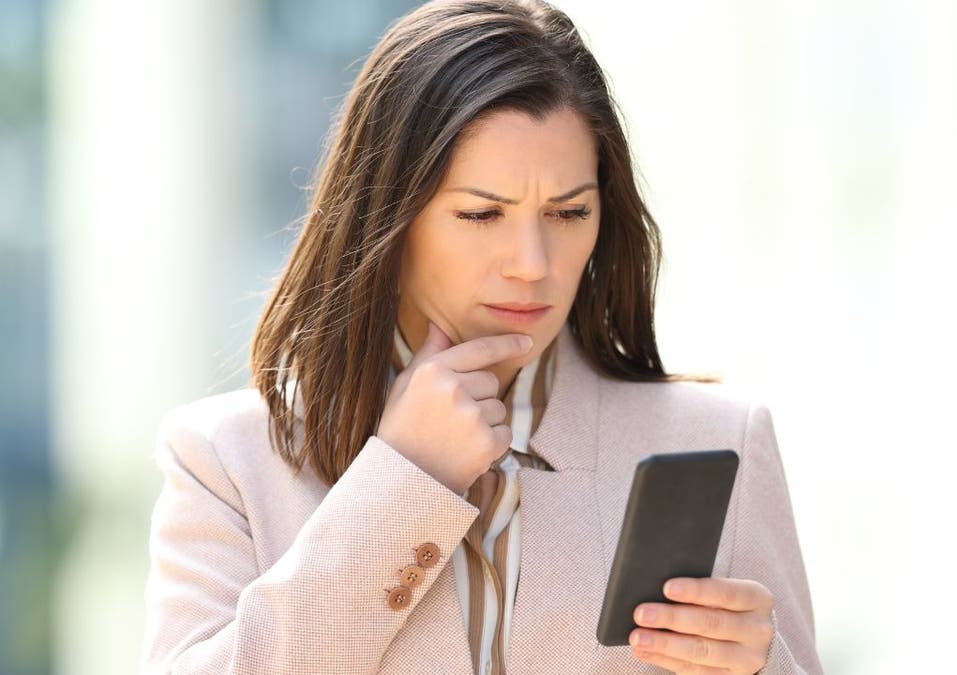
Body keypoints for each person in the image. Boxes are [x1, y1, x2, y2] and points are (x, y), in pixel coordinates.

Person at [139, 0, 823, 673]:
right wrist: (404, 479)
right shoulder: (229, 461)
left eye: (568, 212)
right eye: (481, 214)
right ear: (389, 214)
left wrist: (763, 668)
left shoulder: (718, 442)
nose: (532, 263)